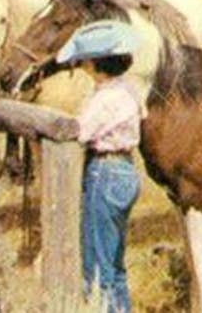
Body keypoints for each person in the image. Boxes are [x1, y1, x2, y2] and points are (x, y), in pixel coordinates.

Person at [55, 20, 143, 313]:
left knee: (97, 263)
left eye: (84, 61)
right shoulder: (128, 89)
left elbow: (80, 132)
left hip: (104, 171)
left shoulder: (104, 99)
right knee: (115, 260)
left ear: (94, 63)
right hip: (126, 170)